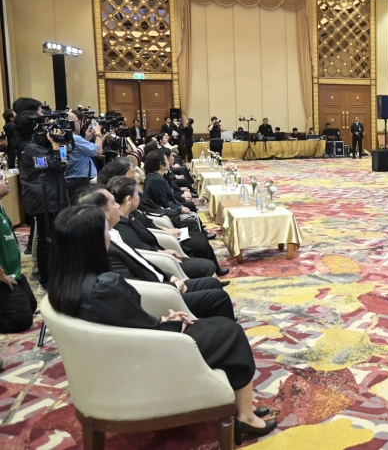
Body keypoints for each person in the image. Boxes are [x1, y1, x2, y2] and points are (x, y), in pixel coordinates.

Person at [47, 205, 278, 444]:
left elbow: (124, 323)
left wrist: (162, 322)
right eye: (106, 230)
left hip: (117, 356)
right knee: (231, 332)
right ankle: (246, 416)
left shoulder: (63, 285)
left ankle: (240, 404)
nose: (109, 235)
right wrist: (173, 325)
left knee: (218, 326)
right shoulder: (105, 286)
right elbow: (136, 329)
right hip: (150, 356)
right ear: (92, 242)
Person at [76, 185, 232, 318]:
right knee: (219, 298)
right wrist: (172, 286)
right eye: (112, 203)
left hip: (162, 282)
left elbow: (142, 262)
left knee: (212, 283)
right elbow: (133, 286)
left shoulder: (114, 233)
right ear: (98, 213)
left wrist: (169, 277)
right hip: (160, 296)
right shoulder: (106, 248)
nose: (117, 205)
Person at [102, 178, 218, 280]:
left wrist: (167, 234)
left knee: (202, 251)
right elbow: (141, 249)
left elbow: (149, 225)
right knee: (206, 264)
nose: (140, 196)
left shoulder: (131, 214)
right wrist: (166, 253)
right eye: (137, 193)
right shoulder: (120, 226)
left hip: (160, 250)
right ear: (129, 199)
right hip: (158, 262)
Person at [16, 109, 69, 294]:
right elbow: (56, 165)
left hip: (52, 197)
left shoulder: (37, 146)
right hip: (44, 199)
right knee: (47, 241)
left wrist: (61, 144)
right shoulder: (30, 148)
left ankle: (53, 277)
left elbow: (63, 163)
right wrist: (56, 146)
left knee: (52, 239)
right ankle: (45, 282)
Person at [0, 172, 36, 333]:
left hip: (13, 273)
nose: (6, 180)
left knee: (31, 305)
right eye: (1, 179)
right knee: (21, 320)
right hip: (2, 276)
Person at [64, 110, 107, 200]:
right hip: (79, 181)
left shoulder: (68, 137)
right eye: (78, 121)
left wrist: (86, 139)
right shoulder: (75, 138)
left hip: (74, 179)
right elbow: (98, 151)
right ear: (70, 124)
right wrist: (98, 133)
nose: (80, 124)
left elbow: (78, 152)